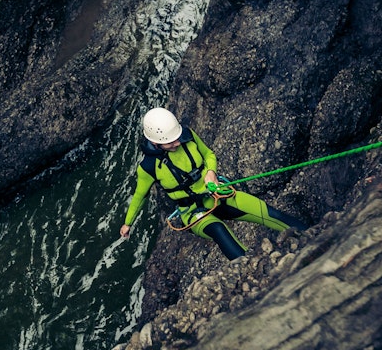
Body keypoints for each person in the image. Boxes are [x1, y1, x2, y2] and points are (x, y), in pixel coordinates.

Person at [119, 107, 307, 259]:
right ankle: (252, 269)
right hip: (193, 212)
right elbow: (139, 195)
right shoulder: (149, 167)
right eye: (170, 142)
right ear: (155, 142)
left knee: (268, 212)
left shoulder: (188, 135)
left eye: (177, 138)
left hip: (218, 193)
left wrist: (210, 173)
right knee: (219, 230)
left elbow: (209, 154)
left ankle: (312, 236)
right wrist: (128, 224)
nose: (176, 143)